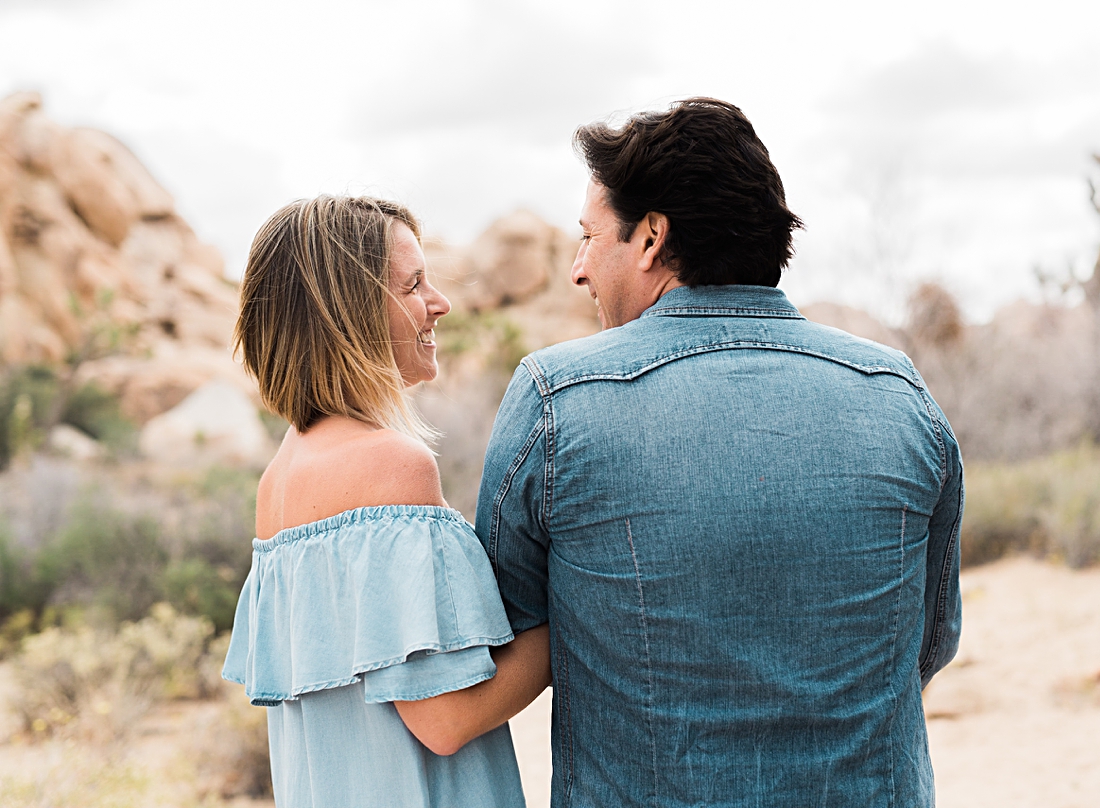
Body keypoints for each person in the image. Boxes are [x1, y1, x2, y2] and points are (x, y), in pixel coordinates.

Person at [476, 99, 963, 807]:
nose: (578, 268)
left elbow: (503, 638)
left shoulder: (558, 398)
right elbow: (928, 638)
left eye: (588, 236)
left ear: (651, 237)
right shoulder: (898, 393)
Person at [222, 196, 550, 808]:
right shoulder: (390, 466)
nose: (440, 303)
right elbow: (445, 720)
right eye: (413, 285)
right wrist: (573, 615)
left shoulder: (280, 477)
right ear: (348, 314)